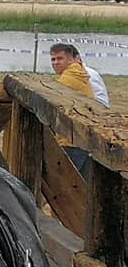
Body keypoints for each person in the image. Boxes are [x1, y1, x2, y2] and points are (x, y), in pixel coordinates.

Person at [49, 42, 99, 178]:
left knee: (63, 186)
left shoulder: (69, 77)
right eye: (53, 59)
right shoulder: (79, 73)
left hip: (71, 140)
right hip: (83, 139)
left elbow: (52, 99)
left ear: (71, 59)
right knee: (82, 188)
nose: (55, 63)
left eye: (60, 58)